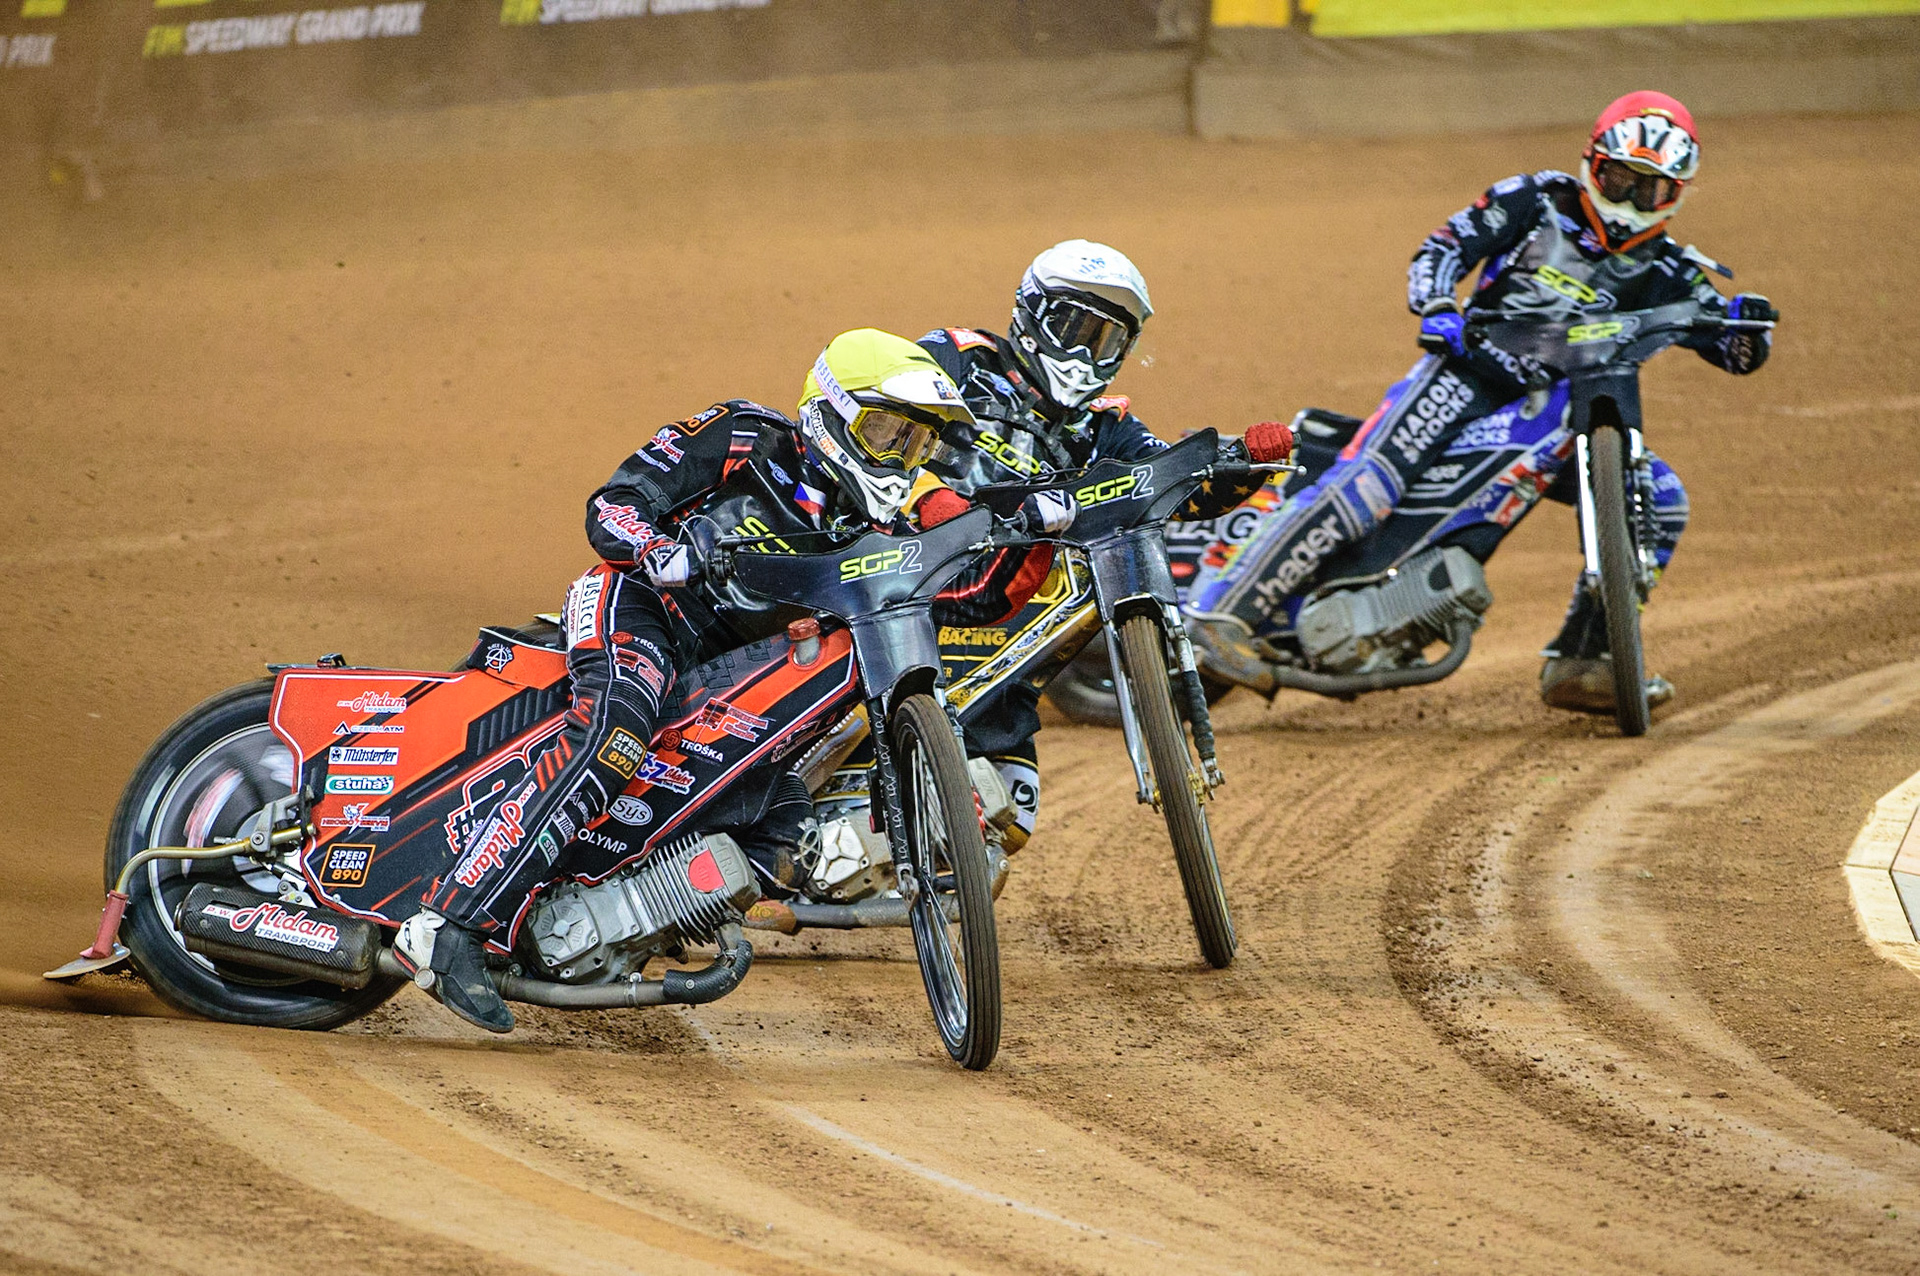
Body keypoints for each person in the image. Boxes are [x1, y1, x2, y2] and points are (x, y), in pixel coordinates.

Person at [394, 329, 985, 1032]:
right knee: (616, 729)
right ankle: (449, 925)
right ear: (831, 412)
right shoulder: (745, 434)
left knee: (780, 818)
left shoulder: (869, 523)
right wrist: (662, 551)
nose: (900, 458)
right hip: (637, 608)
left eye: (916, 446)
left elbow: (968, 586)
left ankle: (616, 921)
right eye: (887, 432)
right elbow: (612, 504)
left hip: (721, 674)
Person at [1184, 91, 1777, 712]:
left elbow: (1736, 352)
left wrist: (1747, 328)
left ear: (1676, 194)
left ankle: (1587, 658)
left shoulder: (1673, 269)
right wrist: (1439, 305)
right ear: (1592, 163)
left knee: (1660, 501)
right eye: (1620, 178)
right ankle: (1224, 613)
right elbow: (1441, 249)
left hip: (1571, 408)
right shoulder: (1535, 199)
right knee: (1368, 486)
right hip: (1466, 375)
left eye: (1650, 189)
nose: (1630, 199)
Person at [915, 240, 1292, 849]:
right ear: (1032, 312)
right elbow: (877, 426)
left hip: (1013, 615)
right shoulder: (958, 359)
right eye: (1075, 328)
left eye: (1108, 340)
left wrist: (1244, 465)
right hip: (911, 569)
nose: (1088, 353)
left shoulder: (1105, 422)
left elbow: (1166, 484)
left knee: (1006, 832)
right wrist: (932, 496)